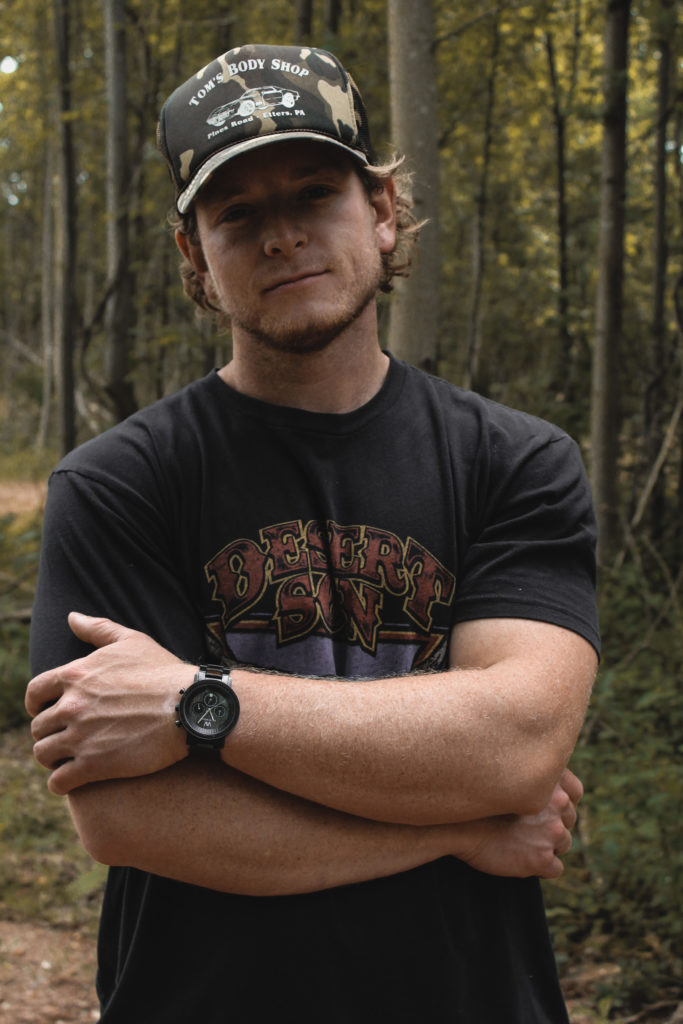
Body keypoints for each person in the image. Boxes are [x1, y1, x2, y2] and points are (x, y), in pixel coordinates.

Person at [26, 43, 599, 1023]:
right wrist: (449, 830)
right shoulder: (118, 483)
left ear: (380, 211)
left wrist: (196, 700)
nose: (281, 236)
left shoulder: (512, 461)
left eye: (312, 193)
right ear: (194, 258)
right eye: (237, 213)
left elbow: (512, 746)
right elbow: (128, 816)